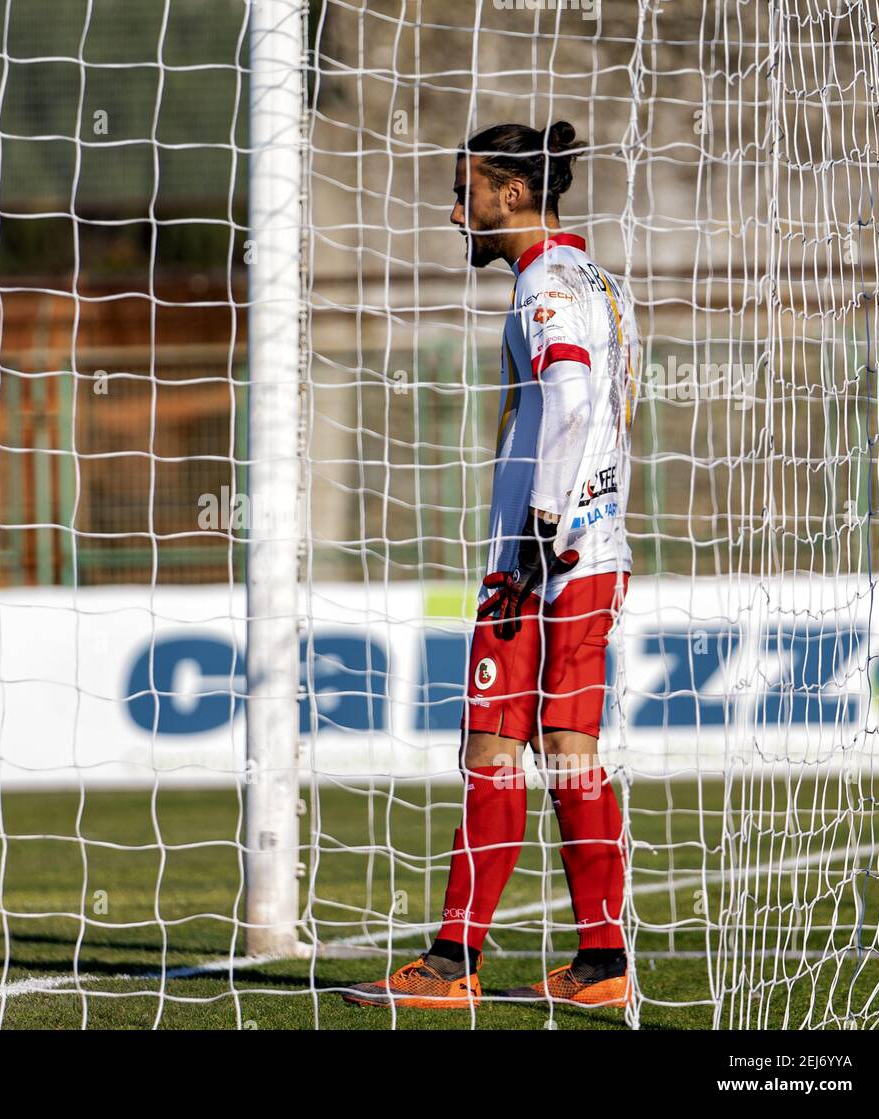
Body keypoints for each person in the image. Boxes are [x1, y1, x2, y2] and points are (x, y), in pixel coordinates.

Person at [344, 120, 639, 1010]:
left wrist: (539, 526)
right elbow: (620, 408)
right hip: (584, 550)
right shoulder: (601, 280)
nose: (454, 210)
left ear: (512, 193)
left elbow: (575, 393)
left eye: (464, 190)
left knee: (519, 749)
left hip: (547, 559)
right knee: (537, 749)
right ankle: (577, 960)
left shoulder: (544, 282)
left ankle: (478, 959)